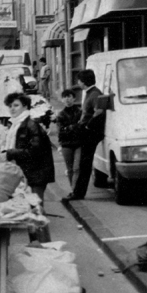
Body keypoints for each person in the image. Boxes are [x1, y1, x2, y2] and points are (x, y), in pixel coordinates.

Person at [2, 92, 55, 242]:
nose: (12, 109)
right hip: (28, 172)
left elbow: (34, 151)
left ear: (25, 106)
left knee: (36, 211)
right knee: (31, 210)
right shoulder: (17, 124)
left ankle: (44, 246)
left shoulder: (31, 125)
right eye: (10, 106)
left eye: (16, 105)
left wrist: (10, 153)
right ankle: (36, 243)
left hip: (36, 173)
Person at [64, 69, 104, 201]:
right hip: (87, 132)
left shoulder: (94, 94)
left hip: (90, 133)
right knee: (83, 164)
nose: (78, 82)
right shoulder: (91, 93)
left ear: (84, 81)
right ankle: (77, 191)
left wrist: (87, 126)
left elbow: (98, 113)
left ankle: (78, 193)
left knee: (84, 165)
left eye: (79, 80)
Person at [56, 88, 83, 187]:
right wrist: (73, 126)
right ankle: (73, 188)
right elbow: (61, 131)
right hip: (66, 144)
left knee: (77, 168)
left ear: (74, 98)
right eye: (64, 97)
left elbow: (82, 127)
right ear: (62, 100)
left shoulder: (80, 112)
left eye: (69, 97)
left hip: (78, 143)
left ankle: (76, 189)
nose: (67, 99)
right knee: (70, 168)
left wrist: (68, 128)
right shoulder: (61, 115)